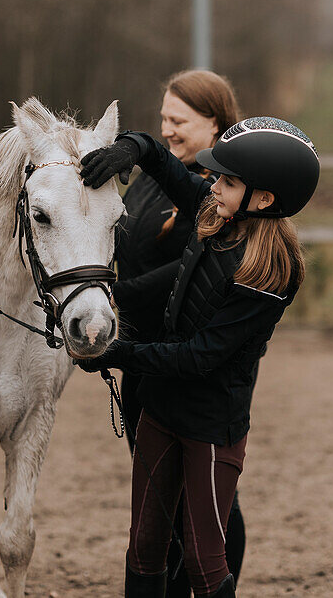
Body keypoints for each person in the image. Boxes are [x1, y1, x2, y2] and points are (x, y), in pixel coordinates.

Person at [78, 116, 320, 598]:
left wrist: (117, 352)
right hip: (160, 412)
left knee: (206, 560)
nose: (212, 186)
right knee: (143, 548)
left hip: (210, 429)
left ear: (264, 199)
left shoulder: (268, 273)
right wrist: (134, 148)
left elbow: (199, 357)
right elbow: (169, 168)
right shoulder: (217, 213)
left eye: (228, 181)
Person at [111, 69, 242, 597]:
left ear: (215, 125)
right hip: (139, 353)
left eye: (179, 120)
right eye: (162, 117)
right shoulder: (154, 180)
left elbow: (187, 271)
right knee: (155, 494)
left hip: (186, 356)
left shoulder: (221, 194)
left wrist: (115, 298)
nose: (167, 128)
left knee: (206, 505)